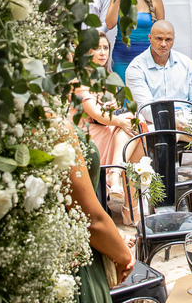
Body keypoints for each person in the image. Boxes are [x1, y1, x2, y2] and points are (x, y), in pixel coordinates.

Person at [70, 129, 137, 303]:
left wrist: (115, 235)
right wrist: (124, 256)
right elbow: (90, 220)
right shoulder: (50, 123)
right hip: (78, 262)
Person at [77, 34, 140, 212]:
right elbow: (95, 113)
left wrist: (123, 117)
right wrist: (121, 120)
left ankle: (116, 177)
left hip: (105, 126)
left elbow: (115, 109)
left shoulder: (108, 76)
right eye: (97, 48)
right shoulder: (79, 78)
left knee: (136, 126)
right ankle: (130, 207)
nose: (103, 53)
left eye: (106, 48)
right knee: (132, 128)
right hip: (86, 130)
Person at [124, 19, 192, 128]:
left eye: (168, 39)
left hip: (188, 119)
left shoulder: (187, 64)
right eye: (159, 39)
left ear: (174, 40)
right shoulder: (136, 68)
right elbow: (146, 108)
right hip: (154, 124)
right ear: (150, 38)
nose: (163, 44)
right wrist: (174, 124)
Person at [104, 0, 165, 78]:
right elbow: (109, 25)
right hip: (122, 57)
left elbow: (162, 32)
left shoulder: (155, 0)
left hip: (147, 59)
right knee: (123, 94)